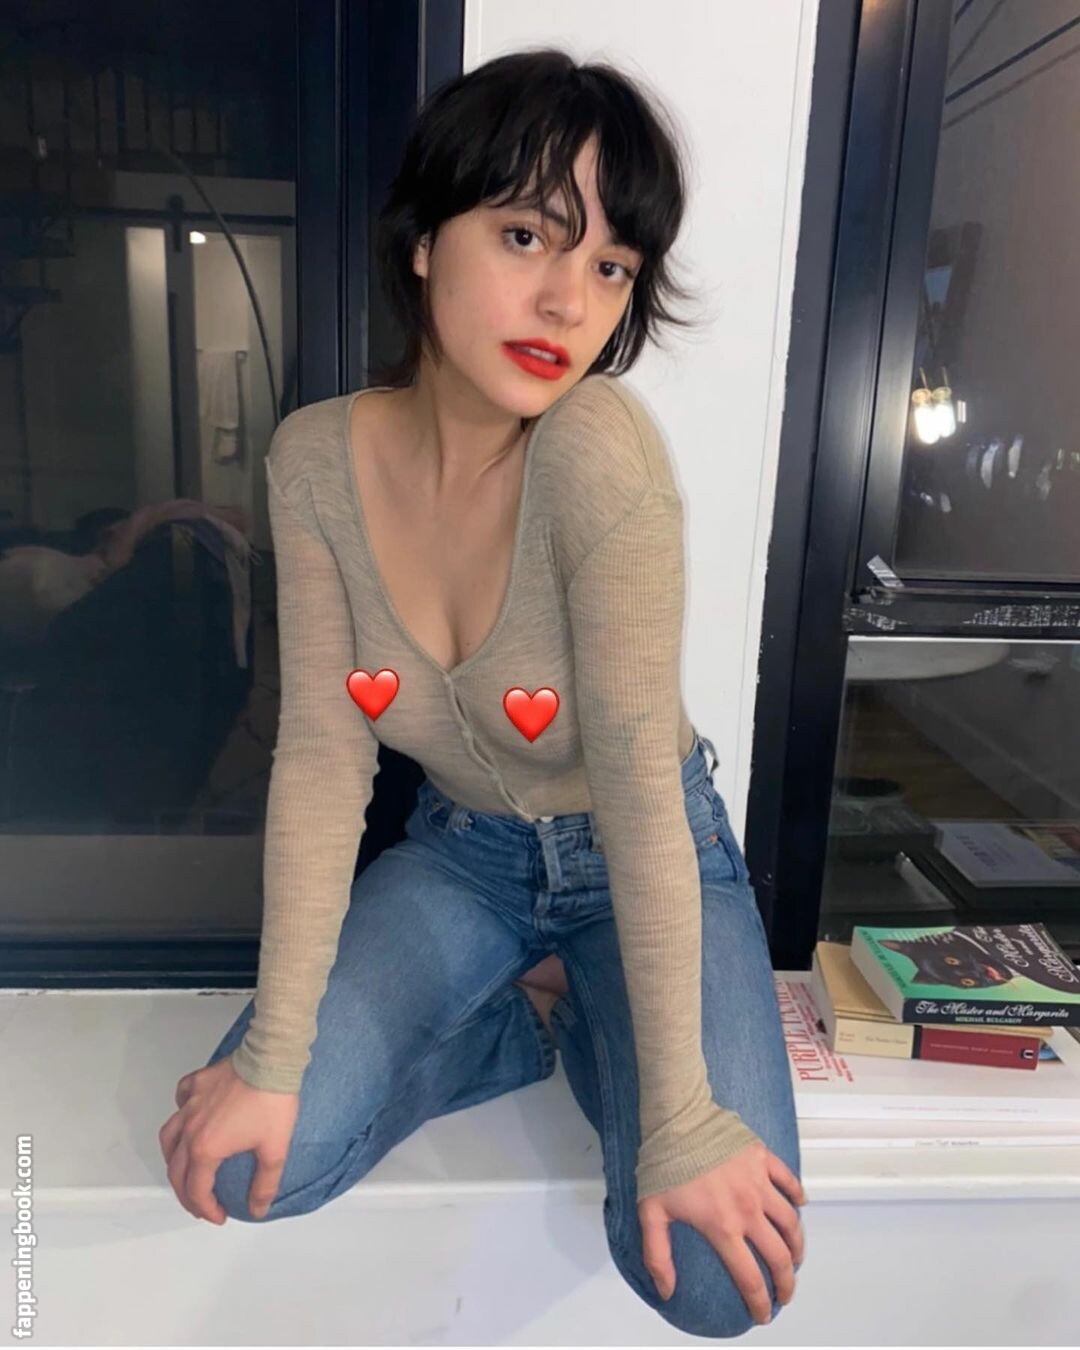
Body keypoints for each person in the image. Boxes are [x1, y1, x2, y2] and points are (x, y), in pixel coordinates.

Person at [157, 47, 805, 1337]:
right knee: (240, 1166)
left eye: (611, 266)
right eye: (525, 236)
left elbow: (638, 784)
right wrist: (272, 1058)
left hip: (643, 853)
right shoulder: (313, 464)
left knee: (715, 1282)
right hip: (465, 858)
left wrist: (681, 1119)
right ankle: (525, 1023)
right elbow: (323, 757)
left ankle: (606, 1026)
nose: (568, 301)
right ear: (422, 242)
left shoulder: (599, 452)